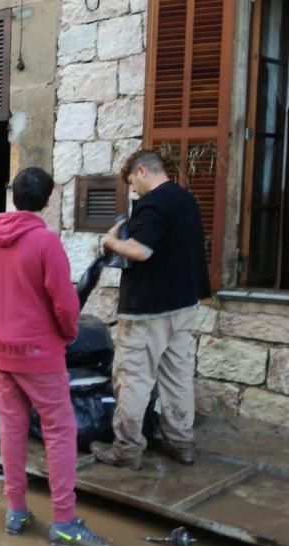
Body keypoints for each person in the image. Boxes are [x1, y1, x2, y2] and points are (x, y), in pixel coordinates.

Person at [0, 167, 113, 546]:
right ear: (48, 202)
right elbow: (65, 304)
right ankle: (64, 522)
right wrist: (66, 334)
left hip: (2, 352)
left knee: (11, 429)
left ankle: (16, 511)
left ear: (13, 196)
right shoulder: (46, 243)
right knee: (60, 431)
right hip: (40, 355)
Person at [91, 150, 210, 469]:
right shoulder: (186, 200)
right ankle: (181, 443)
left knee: (132, 378)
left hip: (147, 310)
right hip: (183, 305)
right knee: (177, 376)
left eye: (132, 182)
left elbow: (141, 250)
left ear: (142, 170)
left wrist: (111, 242)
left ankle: (127, 450)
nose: (133, 190)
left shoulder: (153, 203)